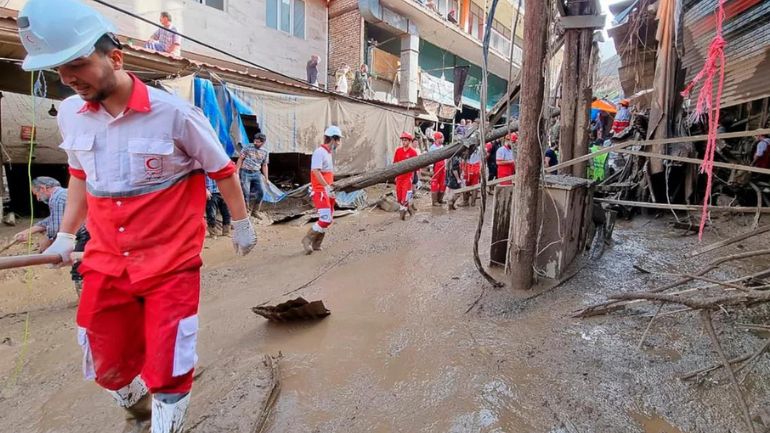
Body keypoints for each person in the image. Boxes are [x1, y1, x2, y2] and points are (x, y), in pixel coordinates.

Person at [18, 2, 257, 431]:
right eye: (59, 70)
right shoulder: (72, 115)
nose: (69, 78)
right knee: (101, 353)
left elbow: (222, 171)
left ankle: (165, 413)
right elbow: (78, 175)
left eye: (77, 63)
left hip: (172, 263)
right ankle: (136, 403)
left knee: (170, 359)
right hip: (105, 260)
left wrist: (241, 223)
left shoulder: (176, 115)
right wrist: (66, 235)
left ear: (115, 58)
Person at [14, 176, 90, 297]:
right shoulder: (64, 194)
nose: (38, 199)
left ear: (43, 188)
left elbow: (56, 226)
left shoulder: (57, 198)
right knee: (85, 262)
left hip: (86, 233)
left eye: (36, 194)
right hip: (90, 231)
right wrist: (28, 231)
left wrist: (48, 242)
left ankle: (86, 297)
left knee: (79, 266)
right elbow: (52, 219)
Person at [302, 126, 342, 254]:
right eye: (338, 140)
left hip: (328, 190)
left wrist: (330, 187)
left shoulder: (328, 153)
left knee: (328, 218)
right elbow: (315, 171)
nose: (339, 143)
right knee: (325, 218)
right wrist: (325, 186)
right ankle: (307, 239)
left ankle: (317, 243)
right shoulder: (319, 152)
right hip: (320, 190)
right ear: (333, 139)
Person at [237, 133, 270, 215]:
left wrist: (266, 178)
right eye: (255, 141)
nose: (255, 143)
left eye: (258, 142)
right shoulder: (248, 147)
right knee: (245, 193)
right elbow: (240, 159)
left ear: (263, 142)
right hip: (245, 172)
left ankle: (255, 211)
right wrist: (237, 171)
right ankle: (246, 211)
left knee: (262, 191)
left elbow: (264, 165)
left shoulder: (265, 151)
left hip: (257, 173)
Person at [394, 132, 419, 220]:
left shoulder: (413, 152)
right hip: (399, 178)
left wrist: (414, 178)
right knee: (399, 198)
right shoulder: (398, 151)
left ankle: (401, 218)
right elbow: (395, 164)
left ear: (409, 141)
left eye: (405, 140)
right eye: (403, 140)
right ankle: (411, 212)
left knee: (405, 198)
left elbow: (416, 166)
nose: (404, 142)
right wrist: (395, 176)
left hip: (408, 178)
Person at [429, 132, 447, 206]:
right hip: (435, 167)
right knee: (434, 184)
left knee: (443, 183)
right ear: (437, 138)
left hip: (443, 167)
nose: (443, 139)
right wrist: (431, 169)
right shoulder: (432, 148)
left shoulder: (442, 146)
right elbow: (430, 159)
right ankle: (434, 201)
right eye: (441, 138)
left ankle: (440, 199)